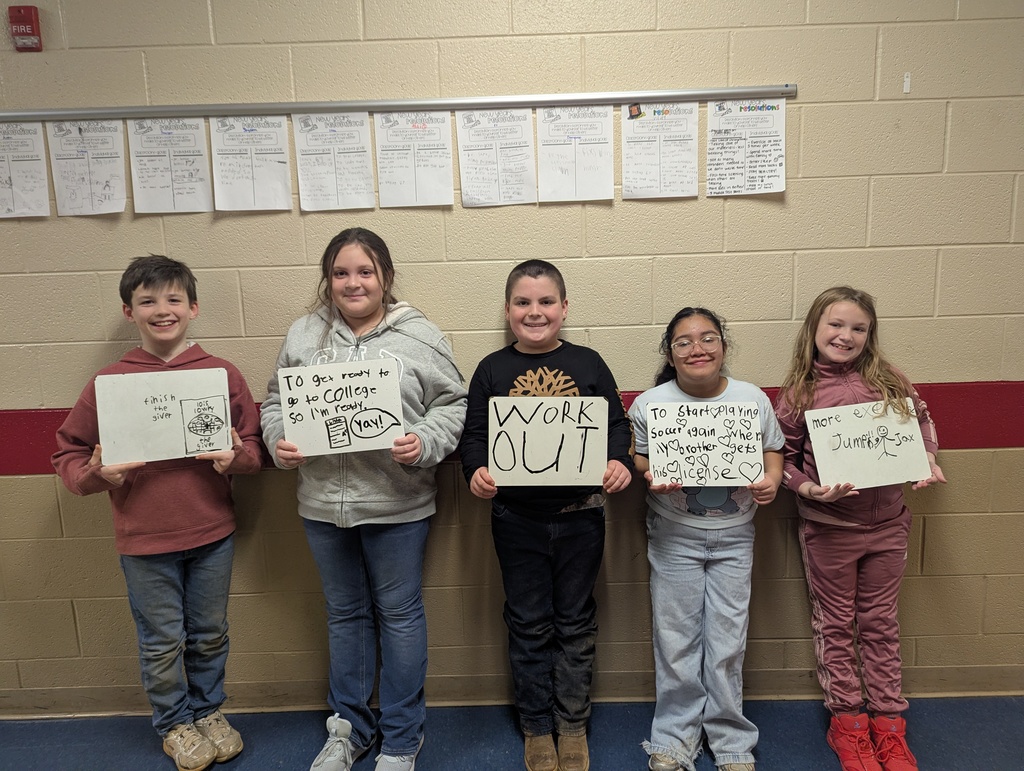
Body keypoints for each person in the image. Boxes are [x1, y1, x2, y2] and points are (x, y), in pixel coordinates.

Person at [260, 227, 466, 771]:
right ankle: (347, 730)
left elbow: (453, 405)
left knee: (399, 616)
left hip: (397, 506)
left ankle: (401, 737)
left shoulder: (419, 336)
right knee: (344, 616)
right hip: (323, 506)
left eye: (365, 271)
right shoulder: (304, 334)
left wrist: (424, 442)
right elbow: (276, 401)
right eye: (341, 273)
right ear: (328, 281)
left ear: (386, 278)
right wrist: (279, 442)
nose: (354, 282)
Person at [52, 255, 262, 771]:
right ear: (129, 311)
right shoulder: (111, 381)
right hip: (144, 541)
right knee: (163, 641)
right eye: (148, 301)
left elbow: (255, 449)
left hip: (212, 532)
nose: (161, 310)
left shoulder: (220, 373)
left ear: (192, 307)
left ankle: (209, 711)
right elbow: (68, 454)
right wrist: (98, 475)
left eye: (173, 299)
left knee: (211, 631)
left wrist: (236, 457)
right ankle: (174, 722)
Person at [458, 259, 633, 771]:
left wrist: (618, 461)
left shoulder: (589, 362)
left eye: (546, 302)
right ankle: (536, 726)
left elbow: (616, 425)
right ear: (508, 309)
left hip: (582, 516)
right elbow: (474, 435)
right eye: (522, 302)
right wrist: (476, 471)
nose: (535, 312)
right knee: (529, 623)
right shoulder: (491, 368)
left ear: (564, 307)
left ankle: (572, 725)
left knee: (576, 622)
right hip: (515, 519)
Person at [774, 287, 946, 771]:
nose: (845, 336)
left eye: (858, 328)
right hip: (829, 530)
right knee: (834, 625)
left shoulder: (890, 380)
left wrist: (927, 457)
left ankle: (889, 724)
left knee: (880, 623)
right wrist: (809, 491)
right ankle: (847, 722)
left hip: (890, 525)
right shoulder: (799, 393)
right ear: (814, 328)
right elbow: (782, 461)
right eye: (835, 325)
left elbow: (924, 422)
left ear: (870, 335)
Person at [629, 307, 783, 771]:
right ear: (670, 354)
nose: (697, 348)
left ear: (724, 346)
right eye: (683, 341)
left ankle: (731, 739)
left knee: (727, 642)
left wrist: (771, 480)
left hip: (735, 537)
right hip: (674, 537)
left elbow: (772, 449)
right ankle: (674, 739)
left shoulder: (751, 399)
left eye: (708, 338)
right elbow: (638, 457)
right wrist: (651, 472)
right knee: (675, 641)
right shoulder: (649, 404)